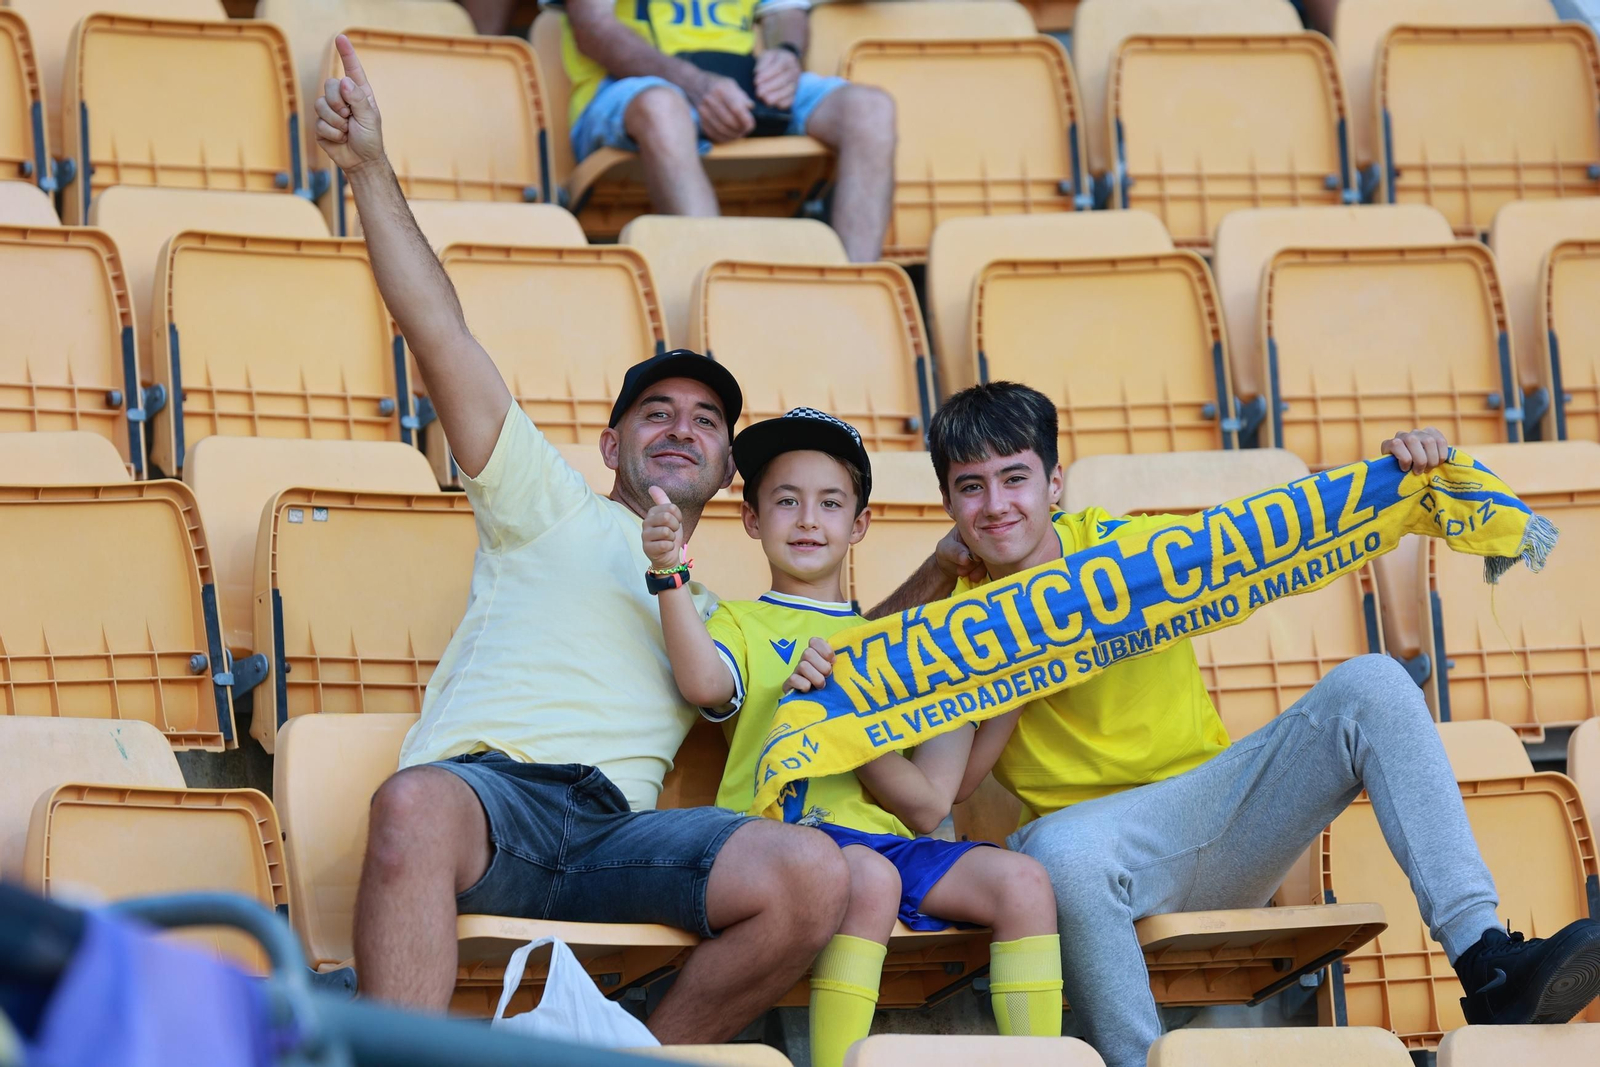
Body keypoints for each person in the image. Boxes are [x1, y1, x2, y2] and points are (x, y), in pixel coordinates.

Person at [312, 35, 851, 1039]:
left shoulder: (720, 609)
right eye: (657, 411)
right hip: (490, 803)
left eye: (705, 419)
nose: (681, 426)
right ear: (611, 442)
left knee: (813, 874)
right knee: (414, 804)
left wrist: (949, 565)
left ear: (729, 470)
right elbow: (439, 329)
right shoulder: (544, 500)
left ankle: (625, 1053)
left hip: (621, 831)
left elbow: (850, 648)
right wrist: (371, 169)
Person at [869, 381, 1600, 1067]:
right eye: (972, 486)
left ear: (1055, 484)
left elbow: (1281, 530)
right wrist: (945, 584)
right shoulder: (957, 621)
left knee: (1374, 682)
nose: (996, 504)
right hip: (1099, 856)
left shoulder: (1128, 550)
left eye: (1015, 477)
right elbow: (864, 686)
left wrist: (1396, 476)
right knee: (1060, 850)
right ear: (948, 504)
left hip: (1224, 818)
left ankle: (1486, 957)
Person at [643, 408, 1062, 1066]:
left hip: (885, 842)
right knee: (866, 876)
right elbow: (702, 683)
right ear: (752, 519)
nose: (809, 520)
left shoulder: (902, 641)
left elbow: (937, 797)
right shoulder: (739, 621)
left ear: (859, 524)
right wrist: (669, 571)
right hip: (783, 841)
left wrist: (1017, 679)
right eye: (786, 501)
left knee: (1025, 883)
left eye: (831, 503)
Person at [561, 0, 895, 262]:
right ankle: (714, 294)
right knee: (663, 108)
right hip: (625, 86)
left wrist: (785, 54)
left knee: (870, 110)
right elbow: (592, 28)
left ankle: (855, 294)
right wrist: (692, 83)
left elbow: (785, 11)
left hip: (737, 81)